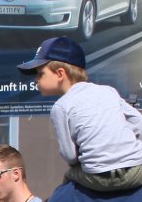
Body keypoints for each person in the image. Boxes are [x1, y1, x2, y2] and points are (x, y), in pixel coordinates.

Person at [20, 35, 142, 191]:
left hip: (98, 178)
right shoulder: (108, 91)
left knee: (70, 175)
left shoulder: (61, 107)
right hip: (136, 170)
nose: (36, 80)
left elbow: (70, 156)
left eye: (40, 74)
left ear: (60, 74)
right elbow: (138, 123)